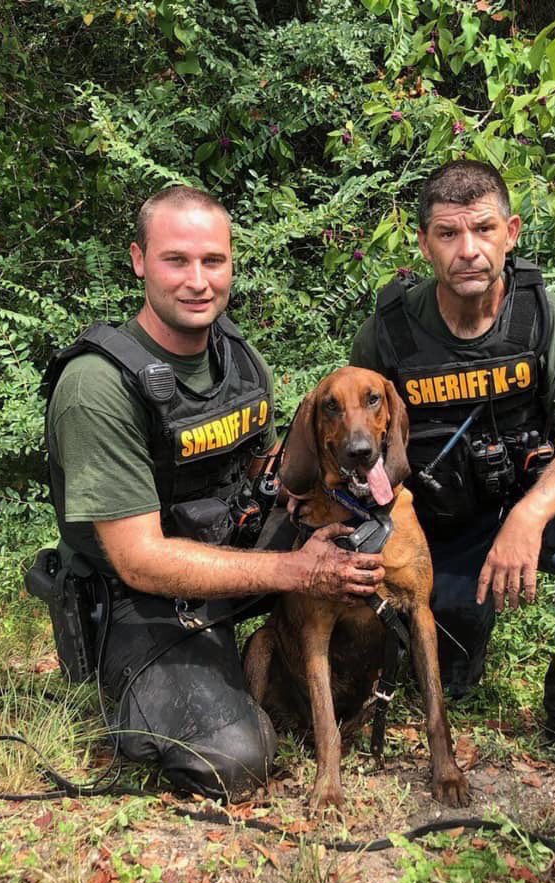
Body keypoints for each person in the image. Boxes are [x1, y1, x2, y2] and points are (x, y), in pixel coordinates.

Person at [44, 186, 385, 799]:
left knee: (370, 541)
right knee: (237, 758)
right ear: (139, 260)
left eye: (214, 261)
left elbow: (266, 468)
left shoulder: (239, 358)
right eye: (176, 260)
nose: (198, 281)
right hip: (140, 598)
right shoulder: (97, 387)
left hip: (231, 559)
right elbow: (138, 558)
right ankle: (142, 685)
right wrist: (297, 571)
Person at [350, 160, 555, 767]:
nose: (469, 250)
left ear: (510, 232)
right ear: (424, 244)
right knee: (452, 678)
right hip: (438, 524)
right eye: (449, 234)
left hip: (529, 505)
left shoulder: (547, 318)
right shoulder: (389, 334)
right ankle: (451, 642)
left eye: (483, 230)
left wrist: (529, 518)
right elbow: (357, 441)